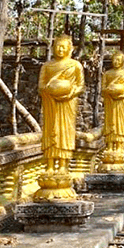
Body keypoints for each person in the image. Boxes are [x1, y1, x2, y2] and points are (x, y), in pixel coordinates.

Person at [38, 34, 84, 173]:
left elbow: (80, 85)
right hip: (51, 103)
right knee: (51, 131)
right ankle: (50, 164)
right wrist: (50, 89)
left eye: (63, 47)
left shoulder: (75, 65)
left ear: (70, 49)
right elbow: (41, 85)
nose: (60, 49)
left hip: (67, 103)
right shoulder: (47, 66)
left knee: (65, 132)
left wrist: (70, 93)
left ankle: (64, 164)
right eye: (57, 46)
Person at [101, 50, 124, 161]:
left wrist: (123, 93)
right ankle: (109, 146)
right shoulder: (107, 74)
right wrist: (109, 90)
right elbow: (103, 88)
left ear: (123, 61)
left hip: (122, 101)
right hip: (110, 101)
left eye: (118, 60)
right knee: (110, 122)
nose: (116, 62)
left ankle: (120, 146)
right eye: (114, 59)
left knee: (121, 123)